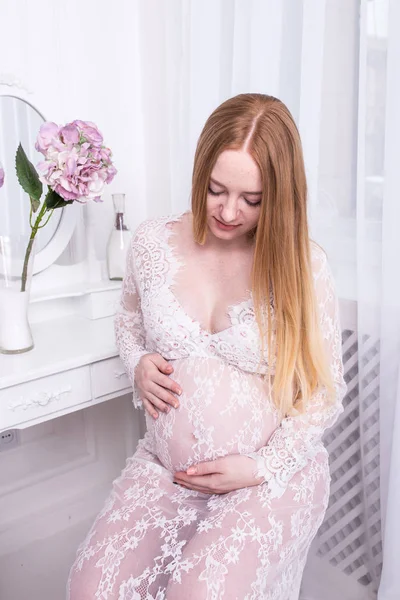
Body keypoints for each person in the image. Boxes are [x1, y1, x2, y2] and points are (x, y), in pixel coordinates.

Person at [67, 93, 347, 600]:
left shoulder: (303, 266)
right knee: (90, 590)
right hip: (165, 471)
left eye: (252, 199)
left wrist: (260, 467)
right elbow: (128, 321)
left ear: (278, 197)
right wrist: (137, 362)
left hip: (265, 478)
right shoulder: (153, 242)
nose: (229, 211)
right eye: (217, 189)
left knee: (197, 594)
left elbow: (324, 396)